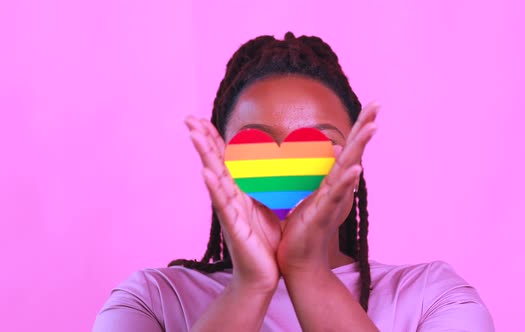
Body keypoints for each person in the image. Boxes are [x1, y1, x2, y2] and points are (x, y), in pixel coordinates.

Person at [93, 32, 494, 332]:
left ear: (355, 171)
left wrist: (307, 270)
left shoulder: (433, 298)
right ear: (220, 164)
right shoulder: (153, 301)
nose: (289, 171)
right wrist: (249, 287)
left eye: (320, 147)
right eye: (256, 147)